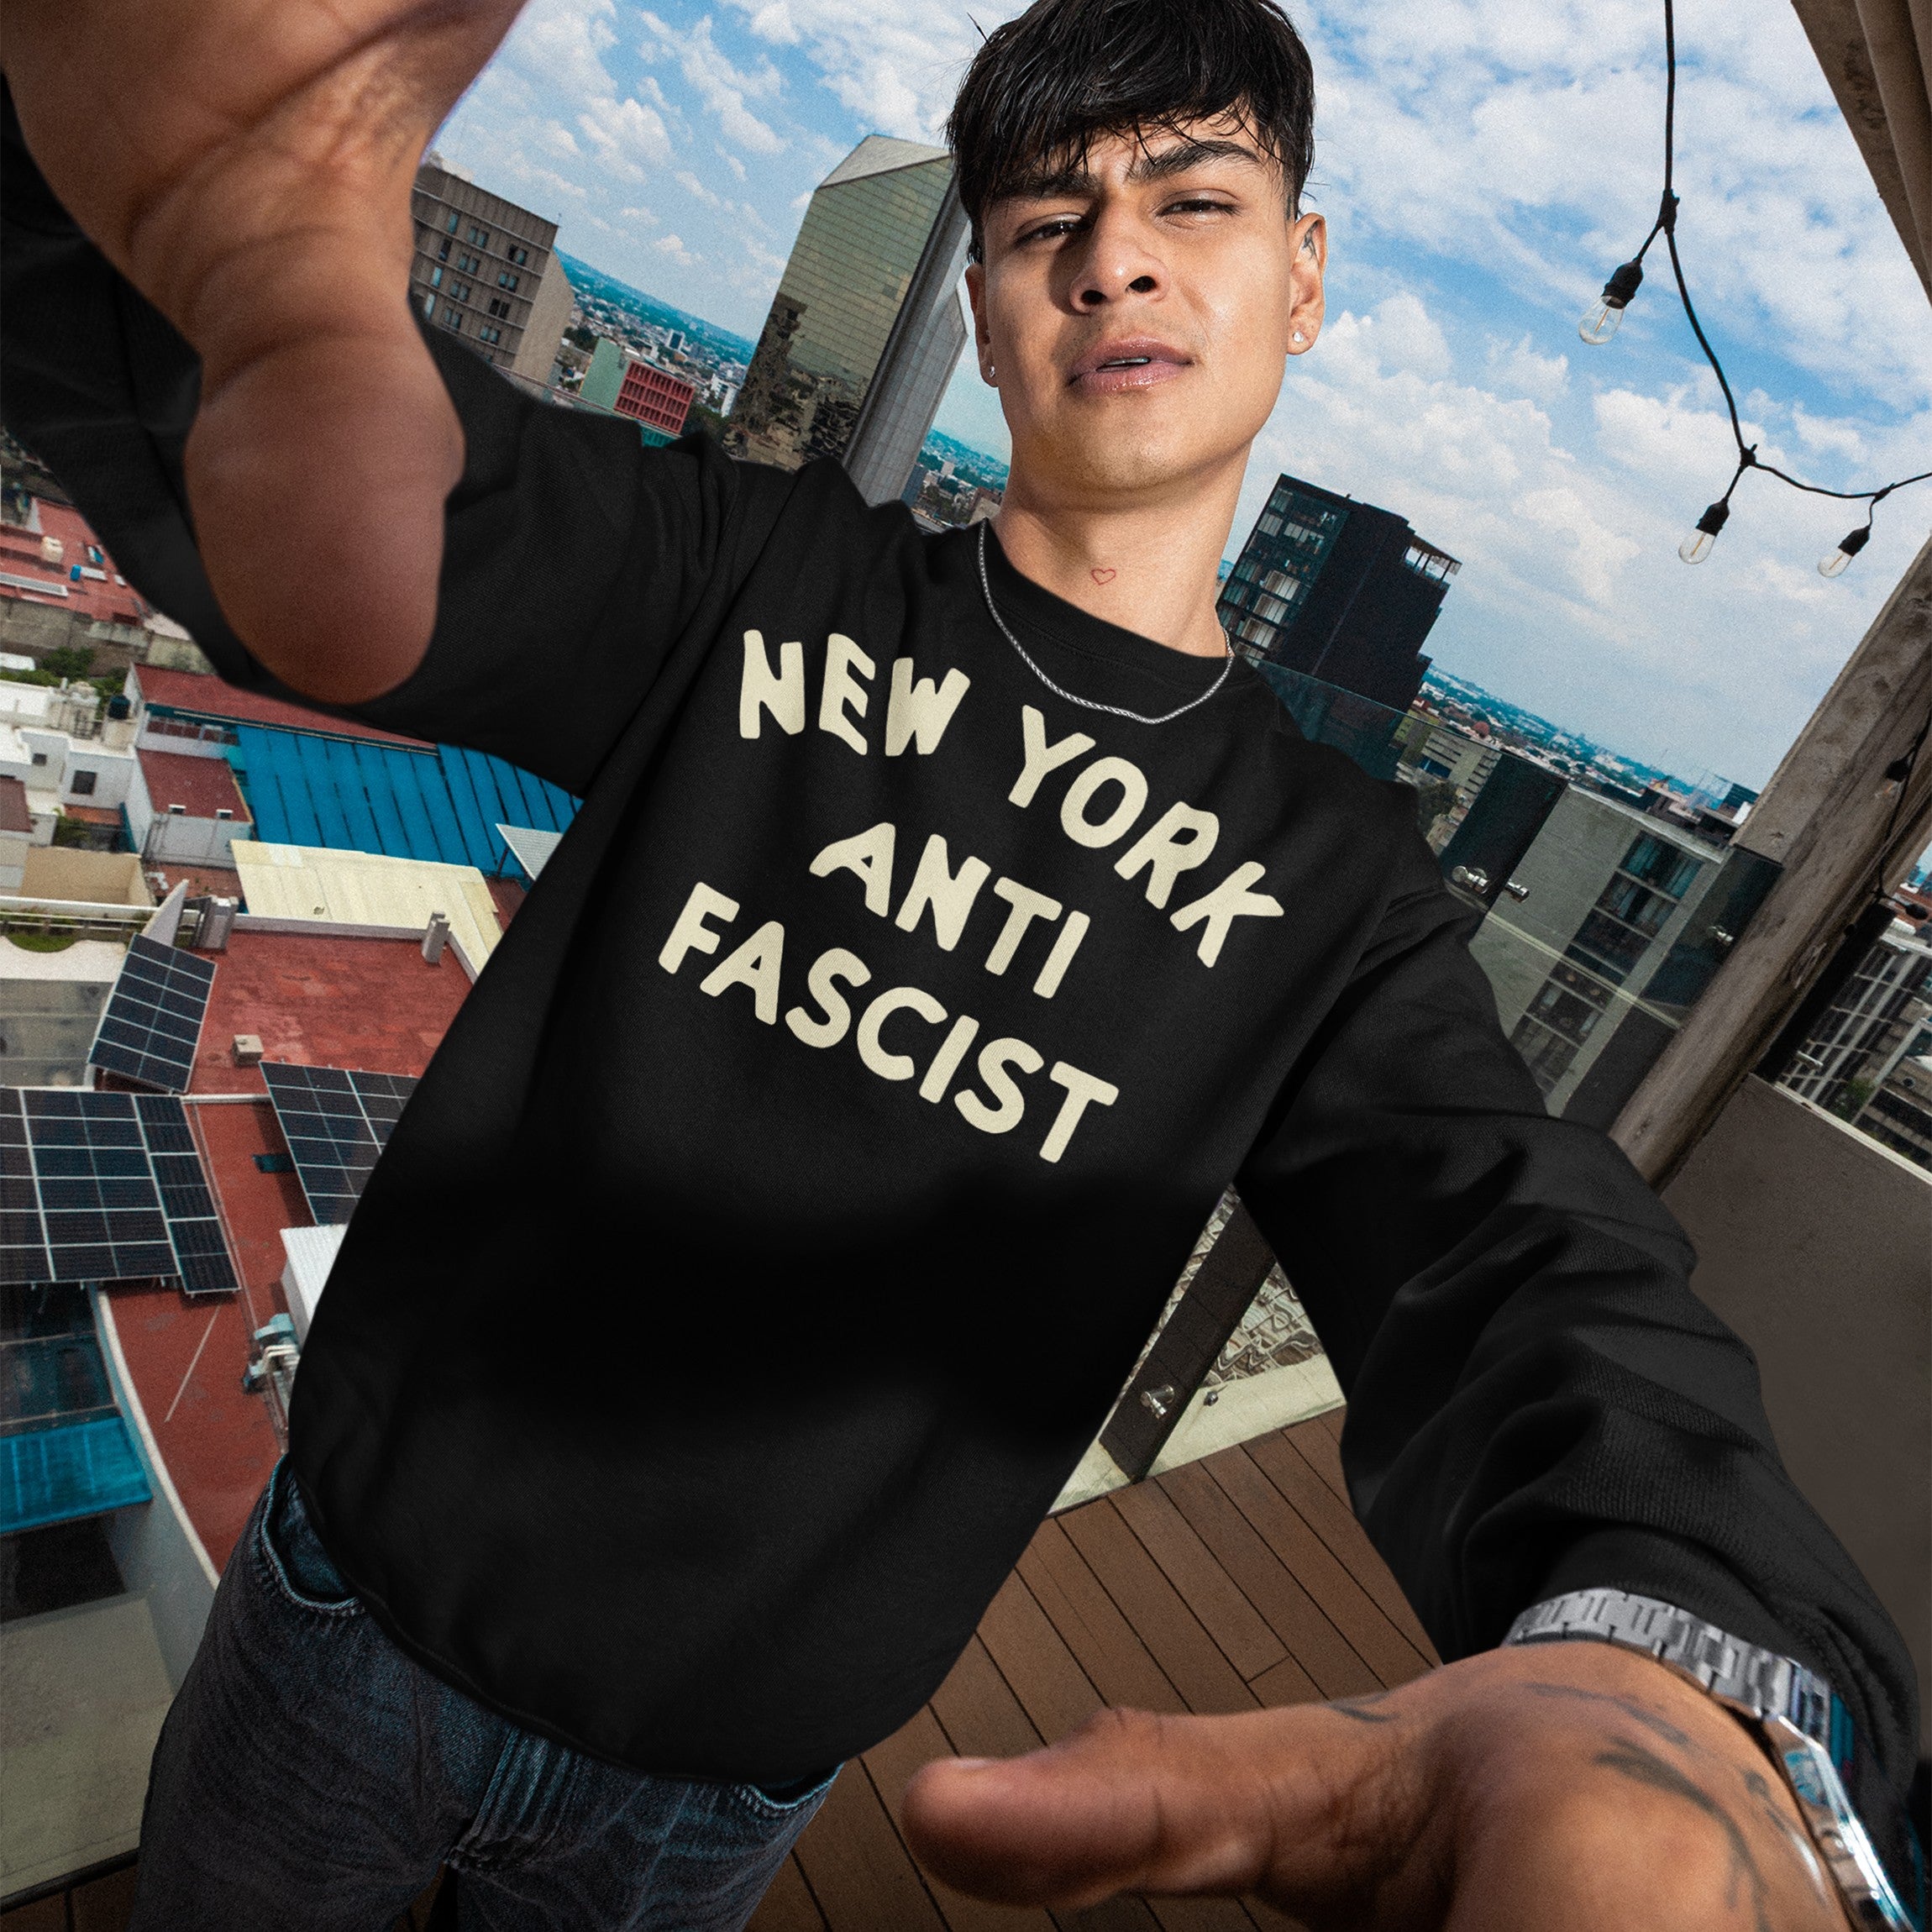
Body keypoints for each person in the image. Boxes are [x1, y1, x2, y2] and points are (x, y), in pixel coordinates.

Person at [0, 0, 1919, 1925]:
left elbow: (1508, 1246)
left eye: (1197, 196)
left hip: (710, 1773)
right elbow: (348, 480)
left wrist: (1688, 1655)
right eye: (1040, 222)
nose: (1116, 256)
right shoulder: (738, 579)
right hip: (355, 1607)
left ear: (1304, 276)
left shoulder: (1332, 884)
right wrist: (185, 243)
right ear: (988, 314)